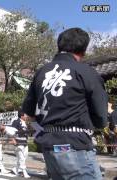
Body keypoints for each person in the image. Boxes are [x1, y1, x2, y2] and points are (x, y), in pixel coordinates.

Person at [22, 28, 108, 180]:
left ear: (59, 46)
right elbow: (101, 118)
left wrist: (42, 130)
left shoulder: (41, 72)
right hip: (75, 145)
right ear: (83, 51)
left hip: (48, 147)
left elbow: (28, 113)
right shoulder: (86, 71)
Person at [11, 110, 30, 178]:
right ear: (22, 116)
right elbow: (11, 131)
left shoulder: (25, 123)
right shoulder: (16, 122)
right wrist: (13, 140)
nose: (26, 116)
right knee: (21, 158)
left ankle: (15, 169)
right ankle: (24, 172)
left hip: (25, 142)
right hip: (18, 142)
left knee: (24, 157)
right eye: (25, 115)